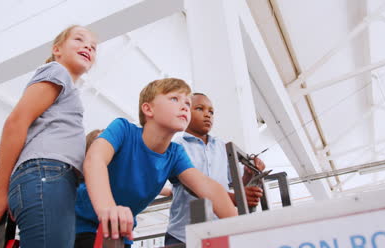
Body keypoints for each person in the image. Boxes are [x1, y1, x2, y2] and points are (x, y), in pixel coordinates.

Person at [75, 78, 238, 247]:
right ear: (148, 109)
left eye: (188, 103)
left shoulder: (175, 153)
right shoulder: (123, 129)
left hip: (121, 231)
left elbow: (208, 187)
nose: (184, 107)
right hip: (80, 225)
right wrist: (108, 209)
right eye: (174, 99)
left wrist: (243, 228)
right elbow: (95, 159)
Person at [0, 25, 97, 248]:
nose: (88, 46)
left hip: (54, 178)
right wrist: (0, 190)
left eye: (93, 47)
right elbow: (16, 122)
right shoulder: (57, 71)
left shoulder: (67, 87)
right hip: (46, 173)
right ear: (57, 49)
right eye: (78, 39)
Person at [165, 93, 266, 245]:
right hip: (183, 234)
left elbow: (236, 182)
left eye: (211, 112)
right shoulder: (177, 146)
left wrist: (247, 174)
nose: (208, 115)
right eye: (200, 109)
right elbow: (192, 186)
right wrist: (236, 198)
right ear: (185, 112)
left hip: (220, 231)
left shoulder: (221, 146)